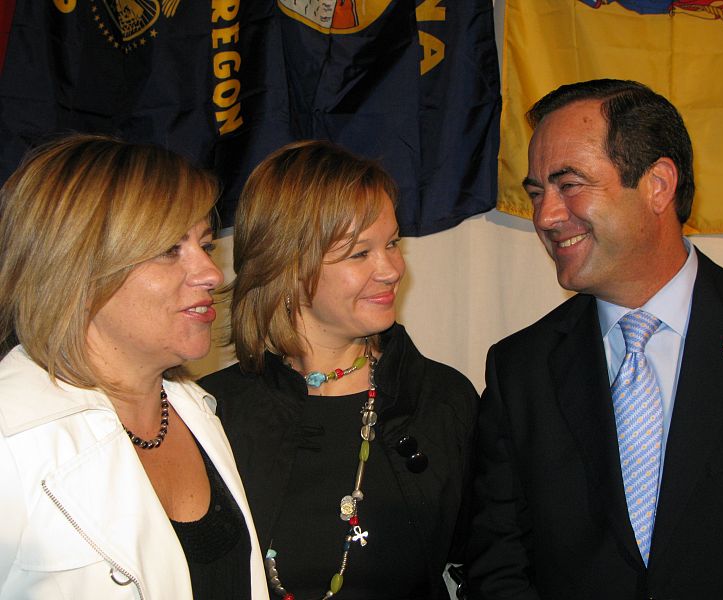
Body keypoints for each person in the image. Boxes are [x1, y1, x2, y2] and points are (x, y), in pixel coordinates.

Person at [466, 79, 723, 599]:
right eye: (537, 192)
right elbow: (500, 561)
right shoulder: (520, 370)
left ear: (658, 185)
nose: (546, 216)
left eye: (569, 183)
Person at [199, 140, 478, 600]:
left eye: (391, 243)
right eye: (359, 253)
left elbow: (486, 563)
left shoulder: (440, 398)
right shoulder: (212, 411)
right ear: (286, 265)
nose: (391, 269)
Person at [0, 134, 269, 599]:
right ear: (76, 269)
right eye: (170, 249)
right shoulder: (12, 442)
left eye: (205, 244)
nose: (212, 273)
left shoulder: (197, 410)